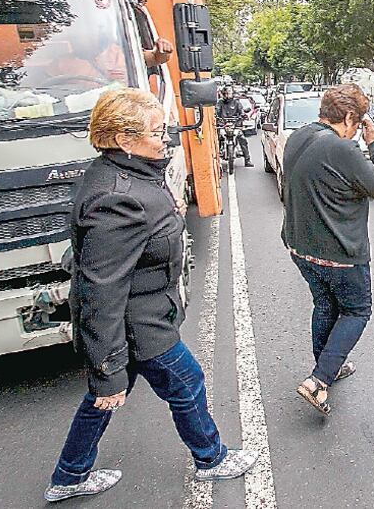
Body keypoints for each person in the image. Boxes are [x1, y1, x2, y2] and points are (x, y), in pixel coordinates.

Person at [45, 88, 256, 503]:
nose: (167, 138)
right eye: (158, 131)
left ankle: (69, 476)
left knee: (103, 400)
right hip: (140, 325)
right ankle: (210, 459)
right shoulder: (117, 198)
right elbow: (98, 290)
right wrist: (107, 366)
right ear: (124, 139)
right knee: (186, 382)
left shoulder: (127, 172)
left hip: (143, 317)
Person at [281, 84, 374, 415]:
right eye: (358, 124)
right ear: (348, 116)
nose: (358, 131)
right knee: (357, 311)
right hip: (340, 254)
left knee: (324, 306)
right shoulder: (342, 150)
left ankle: (328, 368)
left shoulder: (298, 136)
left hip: (301, 247)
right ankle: (318, 381)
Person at [216, 86, 252, 167]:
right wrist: (216, 117)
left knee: (243, 140)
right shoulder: (220, 103)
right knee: (217, 139)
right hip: (223, 125)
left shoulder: (236, 102)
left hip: (235, 125)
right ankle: (215, 159)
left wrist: (243, 115)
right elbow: (217, 111)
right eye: (225, 94)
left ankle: (247, 160)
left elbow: (241, 111)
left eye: (228, 93)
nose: (226, 95)